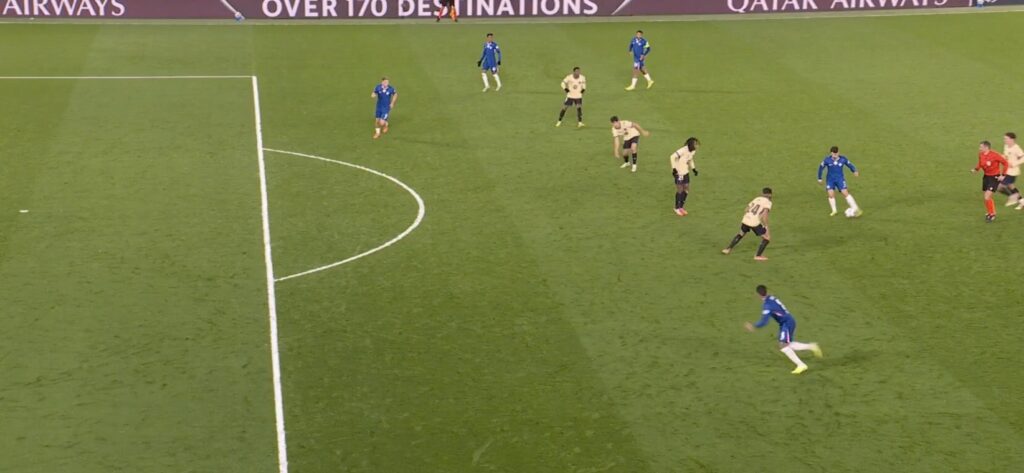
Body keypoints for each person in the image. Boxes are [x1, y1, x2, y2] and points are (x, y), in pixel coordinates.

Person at [744, 285, 823, 375]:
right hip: (787, 321)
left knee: (782, 345)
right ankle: (812, 346)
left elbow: (764, 322)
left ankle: (801, 365)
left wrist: (753, 326)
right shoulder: (771, 298)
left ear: (758, 295)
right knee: (787, 344)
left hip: (787, 323)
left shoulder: (767, 306)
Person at [722, 188, 773, 260]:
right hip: (754, 222)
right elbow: (764, 216)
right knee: (767, 238)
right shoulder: (768, 202)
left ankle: (727, 249)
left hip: (746, 219)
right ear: (770, 194)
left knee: (741, 233)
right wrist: (766, 227)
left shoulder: (757, 199)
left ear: (762, 193)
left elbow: (746, 209)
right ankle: (758, 256)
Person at [817, 146, 861, 217]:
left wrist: (854, 171)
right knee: (831, 195)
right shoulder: (827, 160)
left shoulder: (843, 159)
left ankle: (855, 208)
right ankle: (834, 211)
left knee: (845, 193)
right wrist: (819, 178)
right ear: (831, 153)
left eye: (836, 153)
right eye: (834, 154)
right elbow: (820, 168)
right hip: (830, 180)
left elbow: (849, 165)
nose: (835, 155)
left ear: (838, 152)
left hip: (840, 179)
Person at [971, 141, 1008, 222]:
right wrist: (976, 169)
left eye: (981, 147)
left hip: (994, 177)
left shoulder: (995, 155)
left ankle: (992, 214)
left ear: (986, 147)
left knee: (987, 196)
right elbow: (980, 163)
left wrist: (1003, 175)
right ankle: (990, 212)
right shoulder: (981, 154)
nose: (979, 148)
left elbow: (1005, 163)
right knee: (987, 197)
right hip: (986, 177)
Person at [670, 138, 700, 216]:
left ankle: (681, 207)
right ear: (691, 145)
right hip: (679, 173)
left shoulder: (693, 151)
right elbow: (672, 157)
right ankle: (677, 208)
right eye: (695, 144)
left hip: (685, 172)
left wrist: (693, 169)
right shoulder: (682, 150)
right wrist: (674, 169)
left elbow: (690, 159)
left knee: (686, 188)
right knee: (680, 189)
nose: (697, 146)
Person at [998, 132, 1024, 208]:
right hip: (1007, 170)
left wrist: (1014, 163)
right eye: (1004, 138)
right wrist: (1002, 157)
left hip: (1013, 172)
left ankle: (1013, 197)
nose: (1004, 140)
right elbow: (1006, 155)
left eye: (1006, 139)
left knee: (999, 187)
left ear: (1012, 139)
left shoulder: (1016, 148)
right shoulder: (1006, 146)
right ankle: (1022, 201)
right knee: (1011, 186)